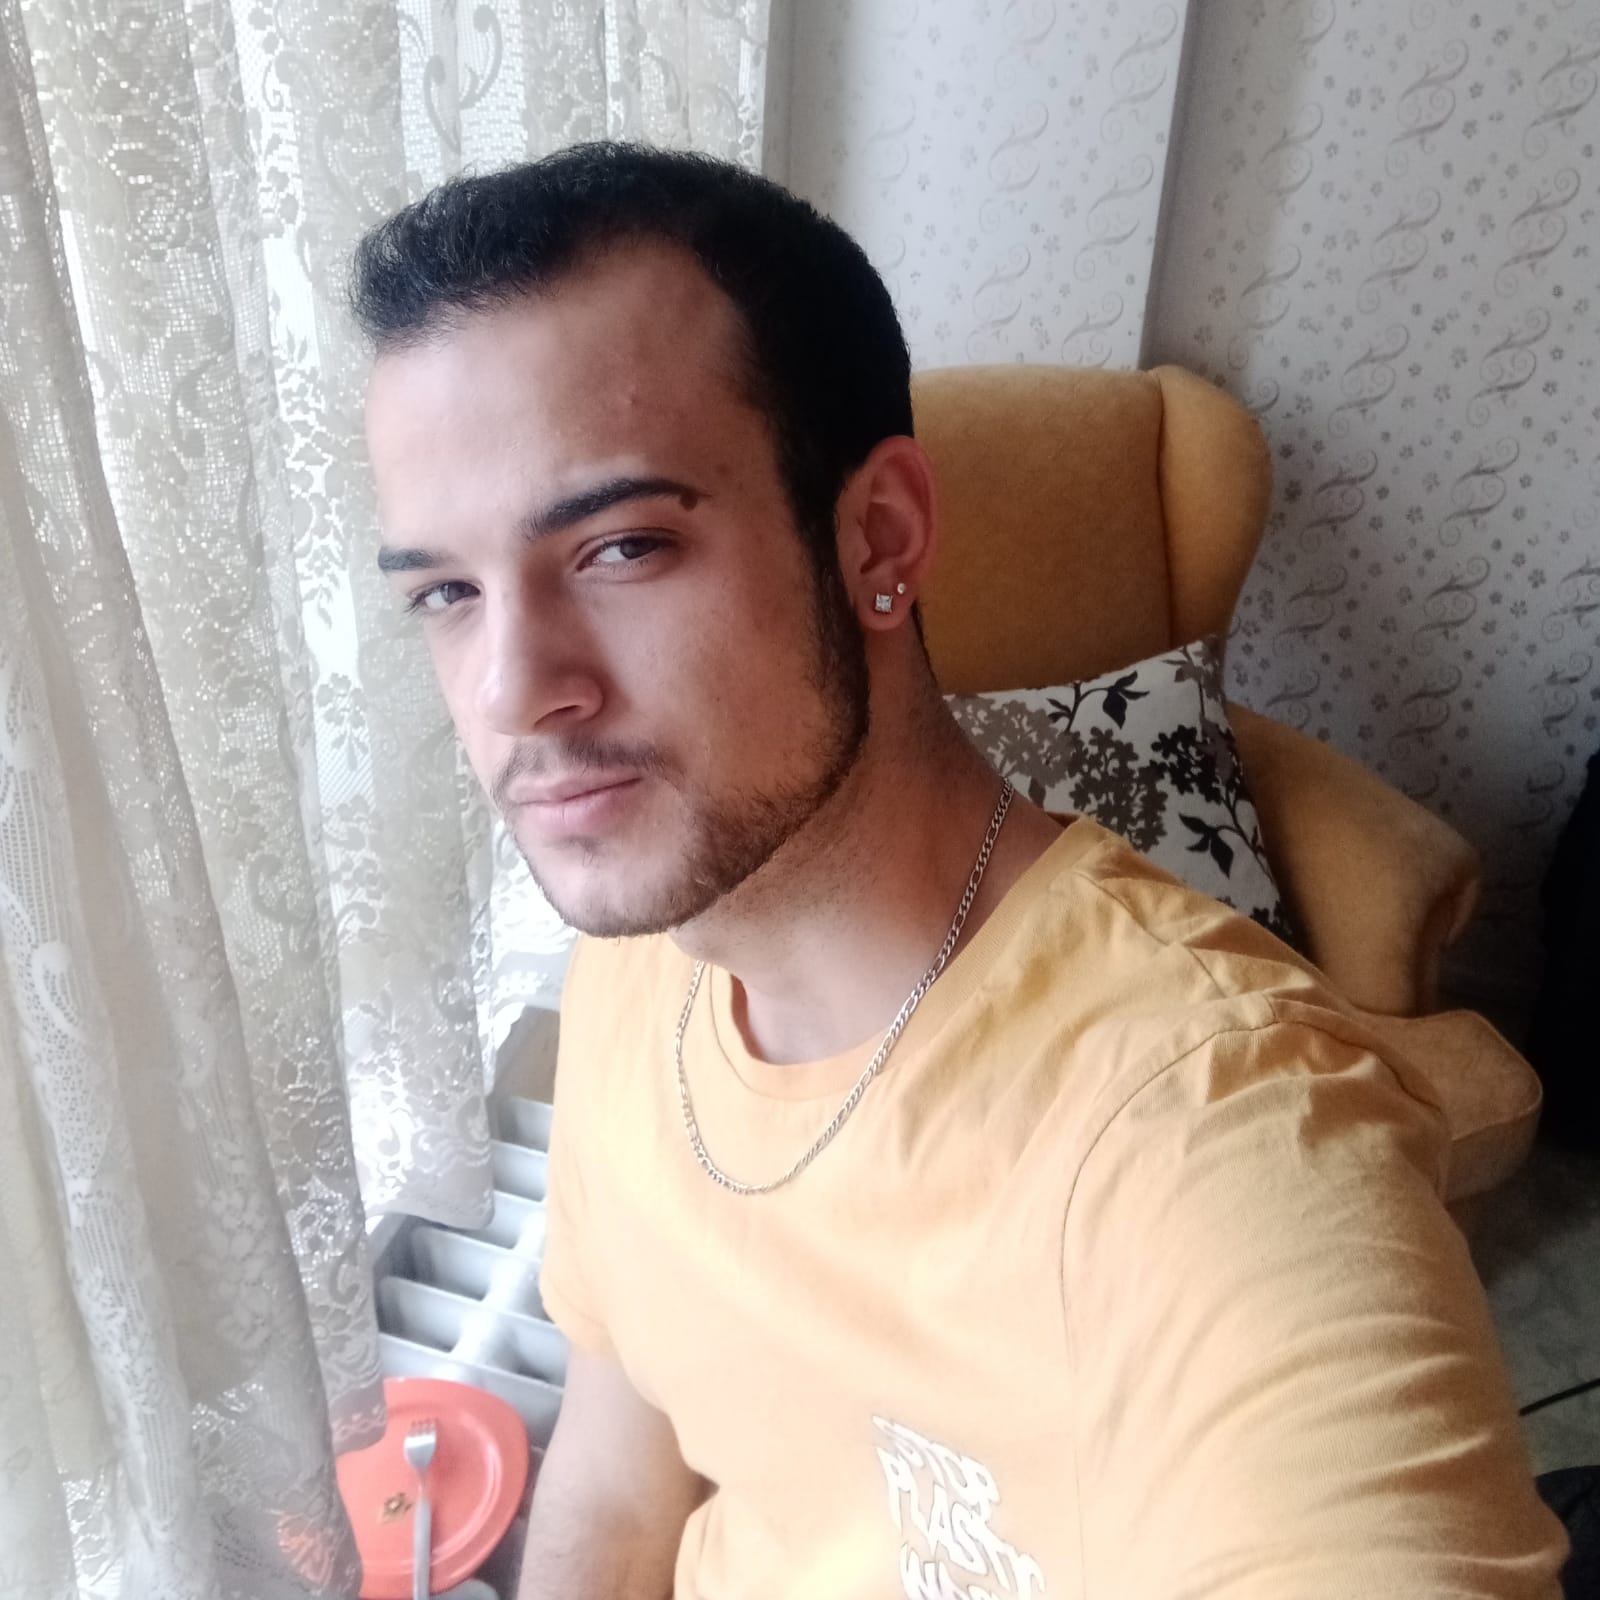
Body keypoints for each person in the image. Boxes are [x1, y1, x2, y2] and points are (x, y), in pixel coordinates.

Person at [353, 143, 1566, 1600]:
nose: (510, 692)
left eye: (620, 548)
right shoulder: (634, 963)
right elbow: (617, 1486)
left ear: (879, 535)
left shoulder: (1222, 1141)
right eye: (446, 591)